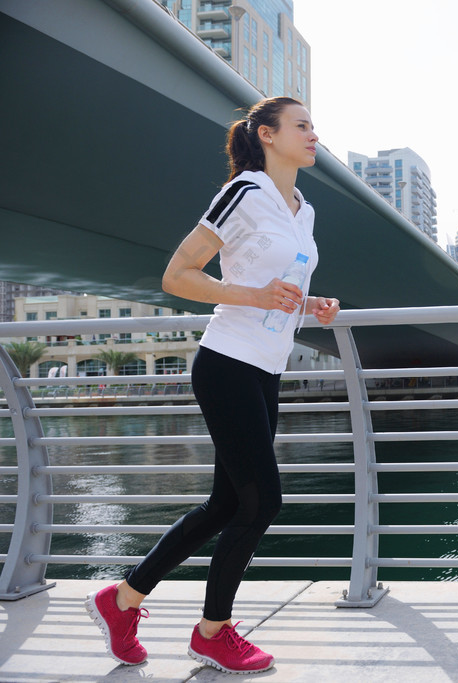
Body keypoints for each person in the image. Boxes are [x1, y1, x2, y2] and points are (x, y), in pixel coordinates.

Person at [85, 96, 340, 674]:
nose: (313, 134)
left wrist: (312, 303)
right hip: (227, 361)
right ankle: (213, 631)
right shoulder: (244, 192)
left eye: (313, 126)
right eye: (302, 126)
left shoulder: (304, 208)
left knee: (227, 503)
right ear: (268, 135)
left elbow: (279, 282)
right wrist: (252, 295)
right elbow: (180, 274)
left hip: (267, 366)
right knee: (262, 502)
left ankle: (121, 601)